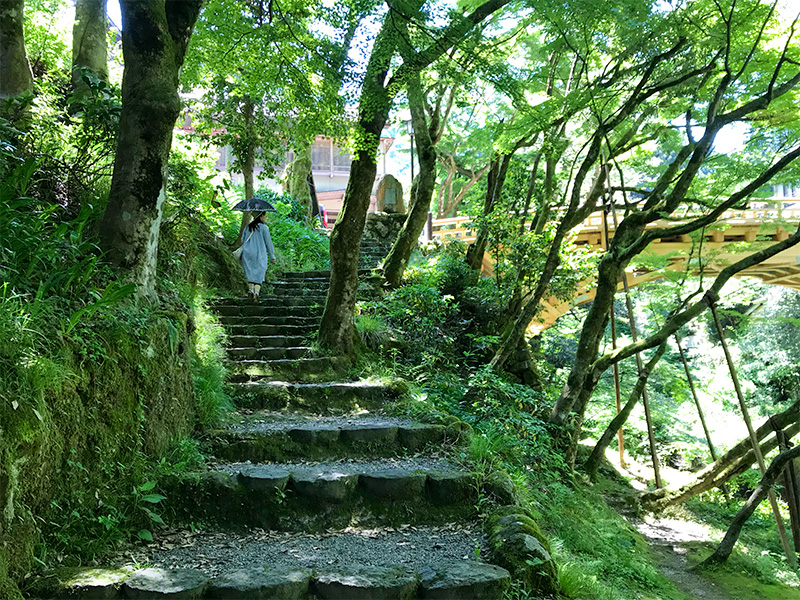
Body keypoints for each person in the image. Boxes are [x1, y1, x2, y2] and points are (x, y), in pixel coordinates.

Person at [239, 211, 276, 302]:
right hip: (260, 254)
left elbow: (243, 240)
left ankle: (250, 290)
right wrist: (272, 256)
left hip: (247, 253)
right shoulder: (264, 228)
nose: (266, 217)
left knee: (250, 272)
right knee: (259, 272)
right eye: (265, 215)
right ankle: (256, 293)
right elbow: (268, 243)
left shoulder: (247, 227)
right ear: (260, 216)